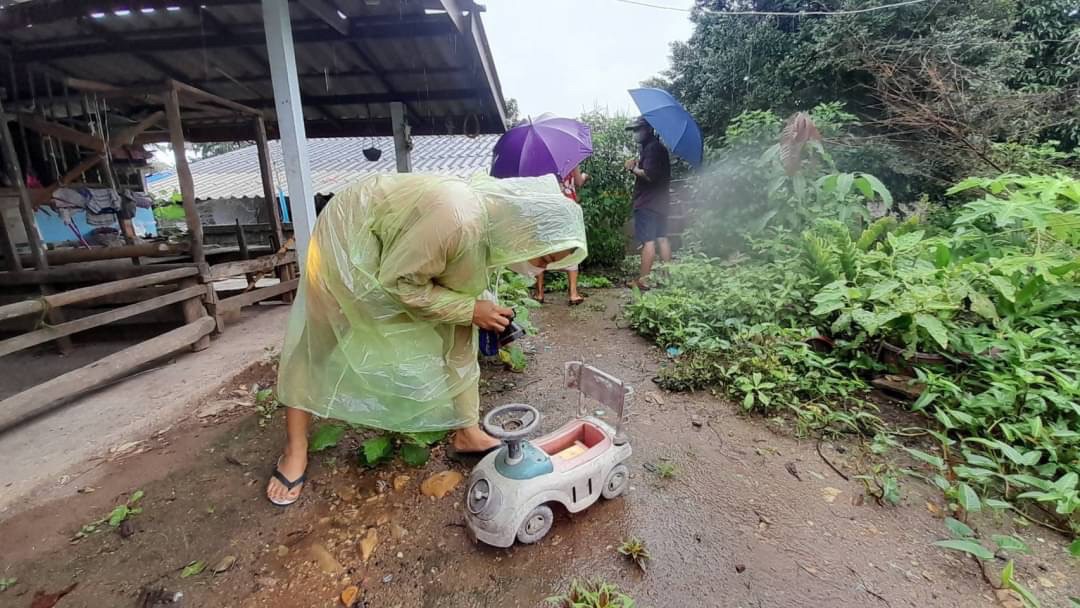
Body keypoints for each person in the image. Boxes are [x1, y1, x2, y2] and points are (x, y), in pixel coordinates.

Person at [266, 174, 587, 506]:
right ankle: (295, 448)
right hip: (352, 234)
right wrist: (469, 307)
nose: (540, 269)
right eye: (545, 259)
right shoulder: (459, 221)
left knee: (462, 322)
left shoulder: (498, 229)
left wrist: (477, 309)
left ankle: (467, 431)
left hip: (408, 249)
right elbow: (400, 284)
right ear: (526, 231)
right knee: (321, 336)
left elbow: (461, 296)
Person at [624, 116, 672, 290]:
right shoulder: (659, 149)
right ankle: (667, 278)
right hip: (661, 203)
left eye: (638, 130)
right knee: (662, 238)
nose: (635, 134)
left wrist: (633, 169)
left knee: (648, 241)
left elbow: (649, 174)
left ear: (648, 130)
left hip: (648, 203)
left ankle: (643, 280)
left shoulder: (652, 149)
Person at [534, 165, 590, 305]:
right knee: (570, 246)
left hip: (545, 209)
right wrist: (584, 176)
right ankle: (573, 293)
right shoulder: (569, 158)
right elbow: (578, 182)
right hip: (567, 208)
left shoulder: (536, 161)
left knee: (542, 248)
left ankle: (539, 293)